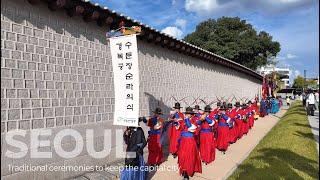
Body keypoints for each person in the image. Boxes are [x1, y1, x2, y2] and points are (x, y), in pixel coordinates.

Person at [177, 107, 202, 179]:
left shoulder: (195, 121)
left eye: (189, 114)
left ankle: (187, 173)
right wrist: (176, 122)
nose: (188, 114)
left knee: (189, 157)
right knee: (182, 156)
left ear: (192, 115)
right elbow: (179, 128)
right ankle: (184, 171)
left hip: (190, 141)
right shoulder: (184, 121)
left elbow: (191, 128)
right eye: (187, 113)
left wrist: (186, 119)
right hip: (183, 141)